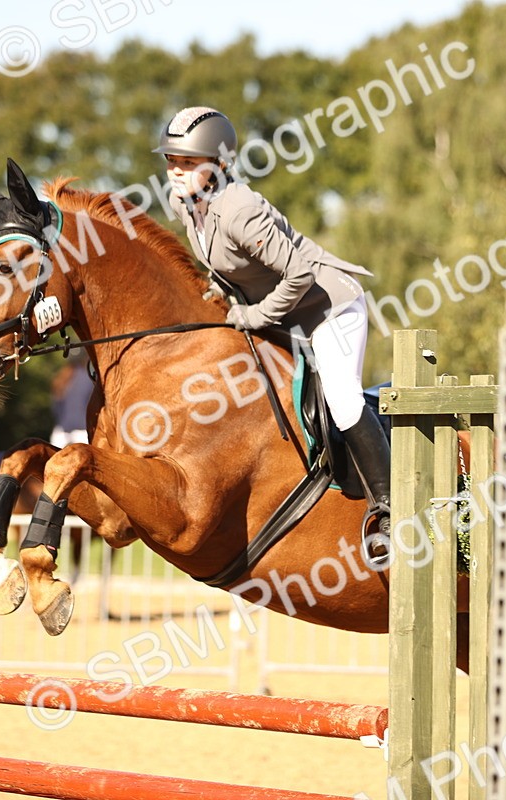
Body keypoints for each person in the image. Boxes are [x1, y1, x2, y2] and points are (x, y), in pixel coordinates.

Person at [154, 106, 392, 566]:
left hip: (328, 308)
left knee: (343, 400)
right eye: (171, 161)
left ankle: (388, 510)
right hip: (284, 317)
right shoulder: (187, 205)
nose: (175, 172)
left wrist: (255, 314)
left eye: (186, 163)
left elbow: (299, 274)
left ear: (217, 164)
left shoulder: (240, 210)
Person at [50, 350, 96, 447]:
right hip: (83, 430)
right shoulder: (89, 378)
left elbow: (56, 408)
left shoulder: (61, 379)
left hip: (61, 430)